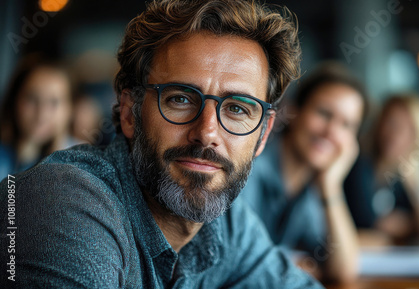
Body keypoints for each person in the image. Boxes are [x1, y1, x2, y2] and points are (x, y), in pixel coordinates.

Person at [0, 0, 324, 288]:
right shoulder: (64, 204)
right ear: (130, 112)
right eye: (180, 99)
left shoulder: (227, 225)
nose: (207, 132)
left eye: (237, 108)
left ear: (263, 134)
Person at [242, 61, 367, 283]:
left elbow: (344, 269)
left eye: (347, 125)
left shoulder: (310, 188)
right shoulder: (251, 166)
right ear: (294, 111)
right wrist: (286, 267)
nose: (331, 132)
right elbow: (238, 261)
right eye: (324, 113)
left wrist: (330, 186)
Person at [345, 94, 419, 244]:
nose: (396, 134)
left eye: (408, 129)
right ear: (379, 123)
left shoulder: (409, 172)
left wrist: (415, 181)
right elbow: (364, 229)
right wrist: (408, 228)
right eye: (391, 123)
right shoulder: (358, 165)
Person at [0, 55, 77, 180]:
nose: (42, 114)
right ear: (15, 100)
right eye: (31, 98)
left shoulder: (80, 162)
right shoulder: (3, 155)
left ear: (70, 108)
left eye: (54, 102)